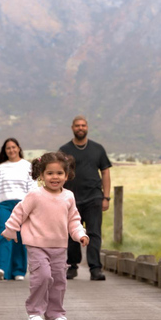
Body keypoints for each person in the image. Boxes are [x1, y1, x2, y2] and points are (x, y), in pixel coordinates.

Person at [1, 151, 89, 320]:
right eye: (50, 173)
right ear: (41, 175)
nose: (54, 177)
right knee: (42, 277)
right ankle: (34, 312)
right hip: (36, 245)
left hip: (59, 247)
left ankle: (55, 313)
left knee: (58, 281)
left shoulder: (69, 196)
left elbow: (73, 220)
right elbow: (19, 212)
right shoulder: (35, 195)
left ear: (66, 175)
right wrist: (11, 230)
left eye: (59, 173)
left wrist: (80, 234)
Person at [59, 115, 111, 281]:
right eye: (77, 126)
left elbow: (105, 172)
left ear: (87, 127)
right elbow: (58, 173)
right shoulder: (64, 150)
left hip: (94, 197)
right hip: (71, 199)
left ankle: (95, 269)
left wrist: (106, 197)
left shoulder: (98, 149)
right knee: (72, 234)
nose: (80, 128)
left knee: (94, 233)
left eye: (83, 125)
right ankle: (72, 266)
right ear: (72, 128)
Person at [0, 138, 37, 281]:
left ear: (19, 148)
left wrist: (33, 210)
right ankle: (1, 268)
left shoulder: (28, 167)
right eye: (8, 148)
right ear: (5, 151)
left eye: (14, 147)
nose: (11, 150)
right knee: (5, 234)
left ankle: (18, 271)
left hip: (22, 206)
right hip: (4, 206)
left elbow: (33, 190)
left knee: (20, 237)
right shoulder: (1, 168)